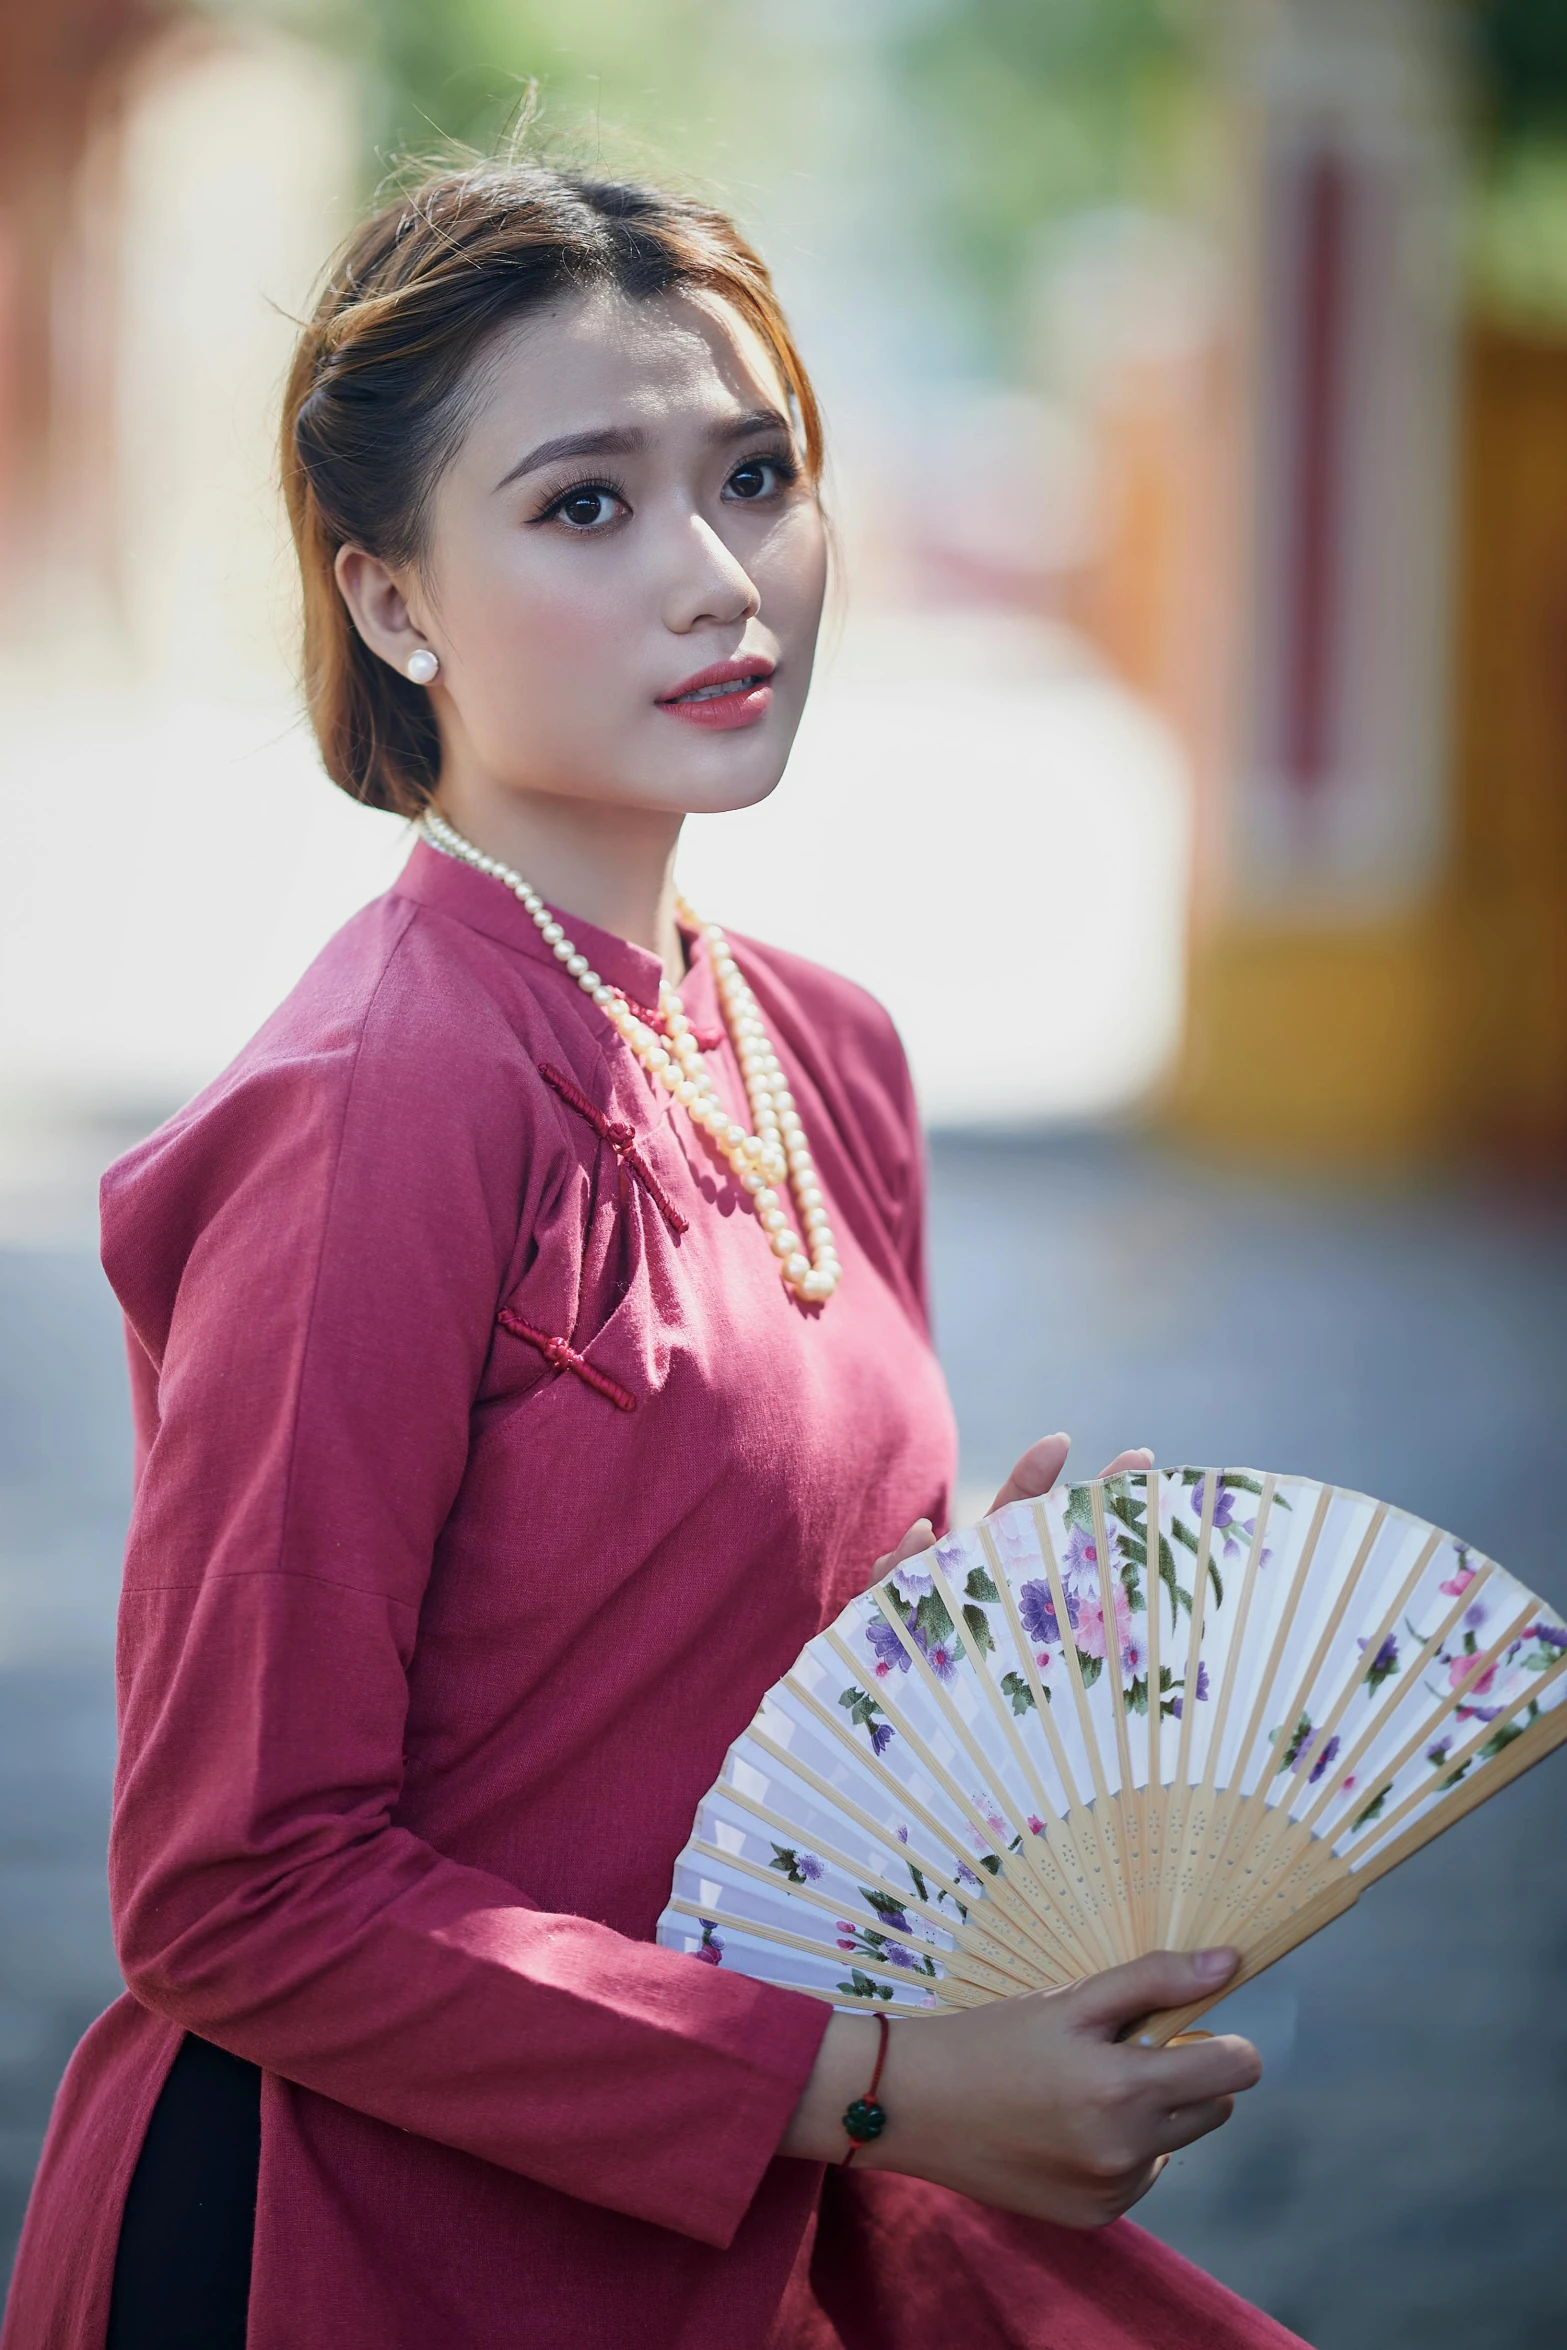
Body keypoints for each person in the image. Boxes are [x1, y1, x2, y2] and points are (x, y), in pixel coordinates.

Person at [0, 156, 1305, 2350]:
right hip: (374, 2245)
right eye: (587, 504)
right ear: (393, 598)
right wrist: (888, 2091)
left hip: (743, 2227)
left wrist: (954, 1687)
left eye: (759, 473)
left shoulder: (822, 1047)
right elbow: (234, 1886)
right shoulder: (375, 1100)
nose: (722, 575)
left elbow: (677, 1706)